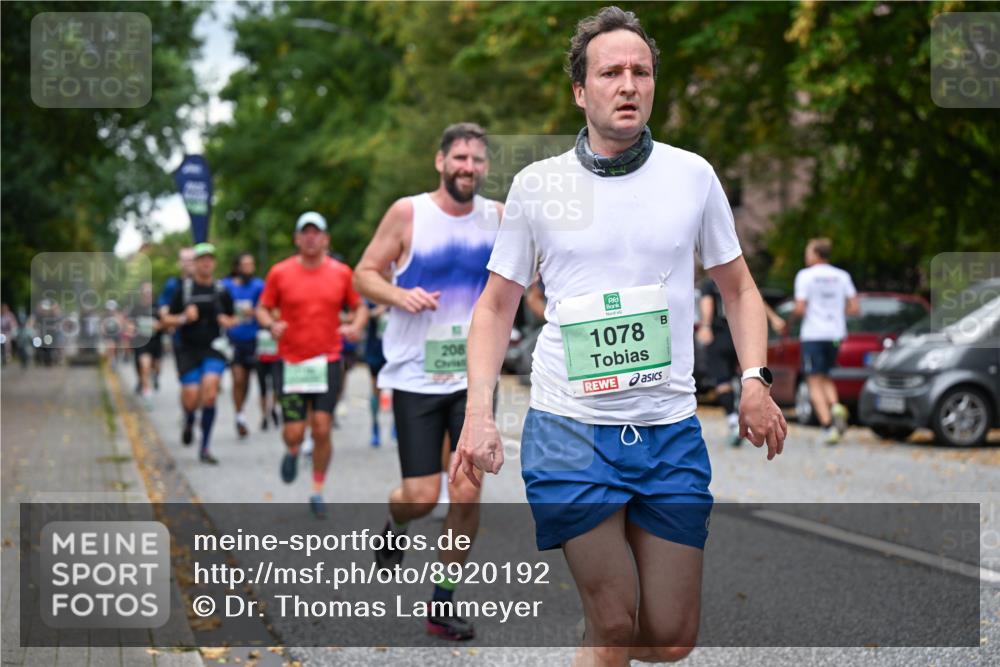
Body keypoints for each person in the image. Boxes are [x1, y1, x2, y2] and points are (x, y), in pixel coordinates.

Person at [450, 7, 787, 664]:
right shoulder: (538, 185)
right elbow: (494, 309)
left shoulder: (693, 177)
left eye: (641, 71)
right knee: (615, 619)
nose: (628, 84)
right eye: (611, 72)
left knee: (669, 636)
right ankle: (601, 638)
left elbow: (740, 289)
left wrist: (754, 380)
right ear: (581, 90)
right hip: (570, 428)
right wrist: (478, 414)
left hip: (667, 430)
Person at [354, 122, 502, 641]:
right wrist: (399, 296)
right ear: (441, 161)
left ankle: (441, 602)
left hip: (474, 377)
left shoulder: (499, 218)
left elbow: (523, 282)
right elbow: (365, 273)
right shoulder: (408, 212)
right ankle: (395, 526)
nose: (468, 167)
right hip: (417, 374)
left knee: (466, 492)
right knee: (419, 496)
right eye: (459, 157)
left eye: (477, 159)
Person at [256, 212, 367, 518]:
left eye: (316, 233)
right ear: (297, 238)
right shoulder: (279, 273)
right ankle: (293, 449)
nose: (310, 238)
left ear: (325, 239)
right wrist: (270, 325)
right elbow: (263, 309)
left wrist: (355, 326)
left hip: (327, 360)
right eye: (305, 232)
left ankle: (317, 490)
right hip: (291, 362)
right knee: (294, 431)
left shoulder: (342, 273)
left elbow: (359, 308)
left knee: (321, 428)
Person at [162, 243, 236, 464]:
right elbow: (166, 320)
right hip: (187, 349)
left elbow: (233, 318)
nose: (206, 263)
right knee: (192, 397)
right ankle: (189, 418)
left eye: (210, 259)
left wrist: (228, 321)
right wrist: (184, 317)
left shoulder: (221, 290)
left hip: (213, 348)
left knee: (210, 393)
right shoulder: (183, 290)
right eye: (202, 259)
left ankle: (205, 447)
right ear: (194, 264)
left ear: (214, 263)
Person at [698, 277, 786, 446]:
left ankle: (732, 420)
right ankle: (745, 409)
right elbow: (754, 298)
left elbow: (707, 304)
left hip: (719, 335)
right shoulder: (738, 279)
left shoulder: (709, 284)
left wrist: (706, 326)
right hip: (740, 335)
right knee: (742, 376)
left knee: (722, 380)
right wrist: (774, 318)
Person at [792, 237, 859, 444]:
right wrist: (837, 312)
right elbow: (855, 308)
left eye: (808, 251)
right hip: (836, 335)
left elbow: (800, 308)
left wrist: (791, 319)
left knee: (813, 380)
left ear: (816, 254)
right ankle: (836, 405)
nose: (806, 255)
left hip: (813, 334)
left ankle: (828, 426)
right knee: (826, 376)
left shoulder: (805, 276)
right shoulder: (842, 276)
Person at [222, 252, 266, 439]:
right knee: (238, 379)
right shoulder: (226, 286)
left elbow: (268, 309)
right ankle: (239, 416)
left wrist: (254, 312)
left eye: (252, 264)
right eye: (245, 265)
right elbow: (220, 310)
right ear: (237, 267)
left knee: (247, 381)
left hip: (253, 340)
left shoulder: (259, 286)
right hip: (234, 340)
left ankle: (242, 410)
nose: (249, 268)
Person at [158, 247, 196, 381]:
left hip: (206, 343)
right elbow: (163, 312)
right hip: (182, 341)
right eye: (185, 260)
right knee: (189, 387)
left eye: (192, 260)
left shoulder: (209, 284)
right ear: (179, 263)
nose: (189, 263)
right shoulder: (172, 285)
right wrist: (183, 319)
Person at [129, 283, 164, 409]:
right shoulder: (136, 308)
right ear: (141, 294)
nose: (147, 295)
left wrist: (157, 325)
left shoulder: (158, 307)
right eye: (145, 292)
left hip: (156, 342)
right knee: (144, 366)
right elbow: (130, 324)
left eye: (149, 292)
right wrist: (132, 328)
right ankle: (147, 395)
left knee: (156, 367)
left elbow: (165, 322)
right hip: (141, 342)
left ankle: (155, 377)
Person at [363, 299, 392, 447]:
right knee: (376, 391)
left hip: (396, 352)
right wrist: (378, 310)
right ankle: (375, 426)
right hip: (376, 350)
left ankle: (397, 426)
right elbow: (361, 314)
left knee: (400, 390)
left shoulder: (402, 285)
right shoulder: (372, 291)